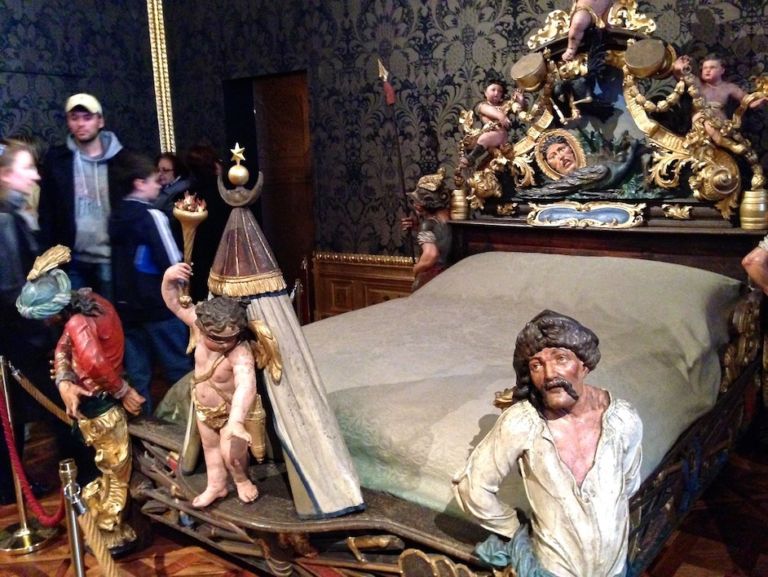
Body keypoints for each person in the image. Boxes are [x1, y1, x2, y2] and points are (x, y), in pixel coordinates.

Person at [453, 310, 642, 577]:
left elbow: (628, 484)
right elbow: (473, 488)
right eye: (536, 365)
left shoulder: (623, 419)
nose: (550, 374)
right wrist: (515, 532)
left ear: (584, 365)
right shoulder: (523, 423)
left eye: (561, 358)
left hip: (614, 570)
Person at [16, 246, 144, 552]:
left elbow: (96, 363)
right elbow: (64, 347)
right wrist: (64, 379)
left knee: (115, 466)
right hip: (96, 397)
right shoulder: (89, 303)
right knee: (110, 464)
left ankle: (110, 527)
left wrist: (123, 392)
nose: (45, 324)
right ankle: (102, 515)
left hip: (100, 402)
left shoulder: (77, 323)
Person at [161, 262, 259, 508]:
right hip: (204, 408)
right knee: (210, 448)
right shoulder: (199, 325)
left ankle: (241, 480)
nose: (223, 344)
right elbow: (174, 303)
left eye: (229, 339)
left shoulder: (239, 353)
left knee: (231, 453)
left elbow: (246, 385)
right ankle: (216, 485)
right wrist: (169, 278)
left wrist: (236, 421)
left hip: (228, 413)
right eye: (216, 338)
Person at [109, 152, 192, 415]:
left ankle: (144, 431)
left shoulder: (115, 216)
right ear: (139, 183)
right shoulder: (152, 216)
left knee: (138, 376)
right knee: (180, 370)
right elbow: (172, 263)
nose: (159, 185)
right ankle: (188, 426)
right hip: (159, 306)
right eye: (154, 180)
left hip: (127, 309)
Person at [38, 93, 128, 301]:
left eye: (87, 118)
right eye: (74, 118)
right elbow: (47, 211)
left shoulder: (120, 159)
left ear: (100, 121)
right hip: (72, 257)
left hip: (110, 256)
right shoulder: (57, 160)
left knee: (110, 314)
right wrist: (48, 258)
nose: (80, 124)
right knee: (75, 315)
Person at [0, 138, 50, 504]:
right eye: (27, 168)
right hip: (15, 338)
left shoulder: (13, 214)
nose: (35, 175)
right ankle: (11, 487)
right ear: (5, 175)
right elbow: (12, 290)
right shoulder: (5, 219)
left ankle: (11, 485)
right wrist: (42, 326)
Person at [673, 55, 768, 155]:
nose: (707, 70)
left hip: (721, 122)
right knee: (707, 121)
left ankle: (729, 143)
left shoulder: (729, 87)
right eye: (705, 68)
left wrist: (762, 100)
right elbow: (681, 73)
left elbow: (747, 101)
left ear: (722, 70)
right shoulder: (699, 84)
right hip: (700, 120)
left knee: (727, 130)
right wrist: (684, 62)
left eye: (712, 67)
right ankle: (727, 144)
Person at [460, 75, 524, 175]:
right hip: (490, 135)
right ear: (485, 92)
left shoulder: (504, 105)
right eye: (493, 90)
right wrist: (501, 116)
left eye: (500, 91)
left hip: (501, 135)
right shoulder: (482, 105)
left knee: (485, 138)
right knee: (483, 140)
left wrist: (520, 99)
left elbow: (519, 108)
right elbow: (489, 110)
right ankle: (472, 157)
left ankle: (471, 158)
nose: (496, 93)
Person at [400, 168, 452, 290]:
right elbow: (442, 236)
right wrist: (417, 227)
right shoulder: (452, 219)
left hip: (434, 279)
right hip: (452, 275)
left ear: (420, 204)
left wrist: (416, 269)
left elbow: (431, 255)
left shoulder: (427, 225)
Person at [154, 152, 190, 217]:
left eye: (165, 170)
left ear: (176, 170)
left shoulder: (182, 191)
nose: (160, 174)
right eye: (158, 170)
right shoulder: (160, 186)